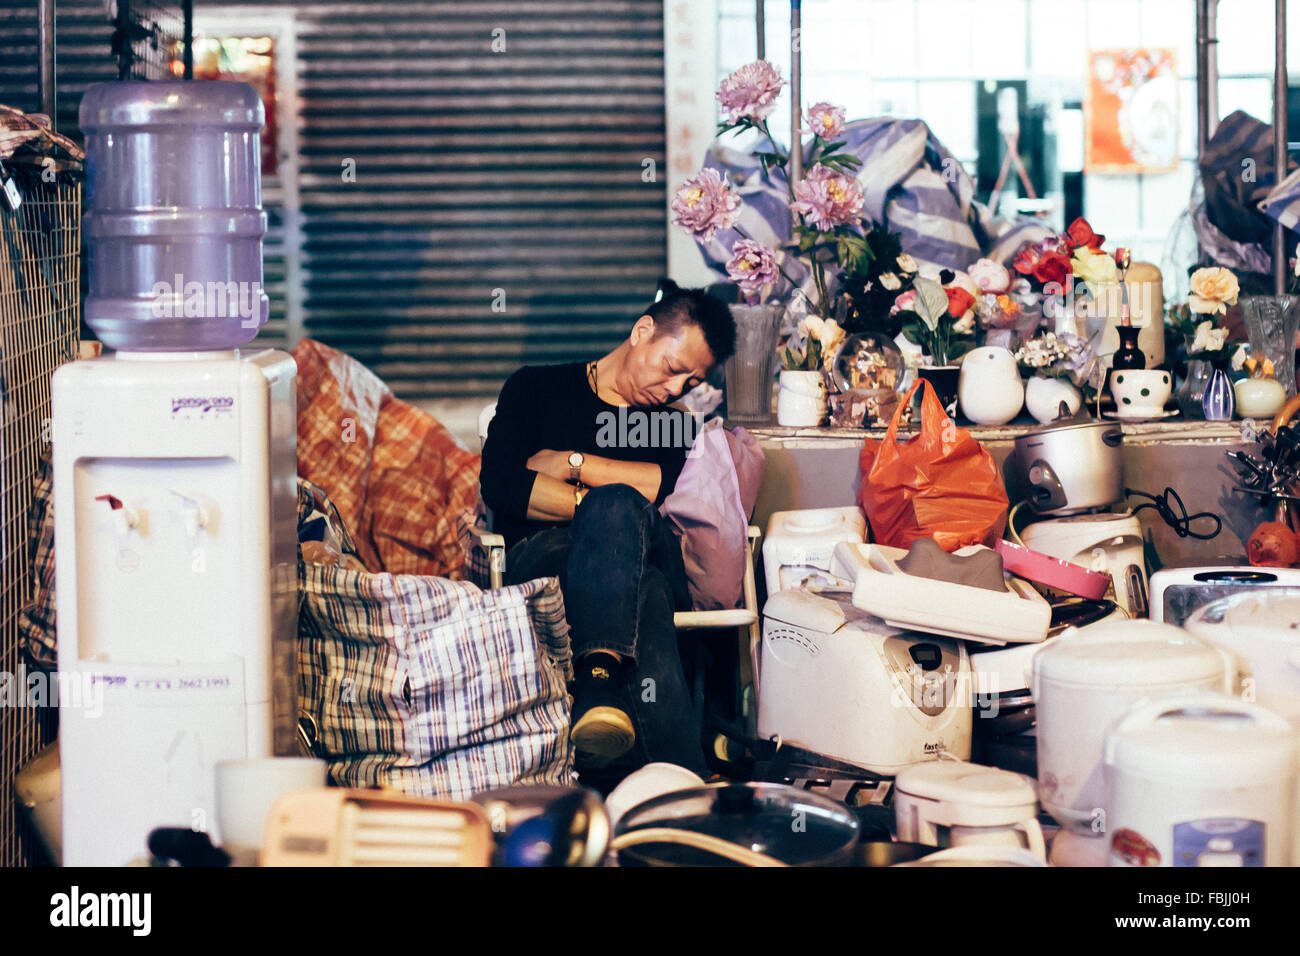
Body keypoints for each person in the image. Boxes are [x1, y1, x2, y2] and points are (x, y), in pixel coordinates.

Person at [479, 286, 736, 779]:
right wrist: (605, 506)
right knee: (647, 588)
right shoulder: (535, 388)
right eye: (672, 367)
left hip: (640, 550)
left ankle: (597, 686)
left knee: (621, 507)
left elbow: (657, 488)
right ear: (642, 332)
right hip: (545, 561)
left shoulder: (671, 424)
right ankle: (682, 781)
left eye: (690, 381)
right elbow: (504, 485)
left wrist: (572, 464)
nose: (675, 388)